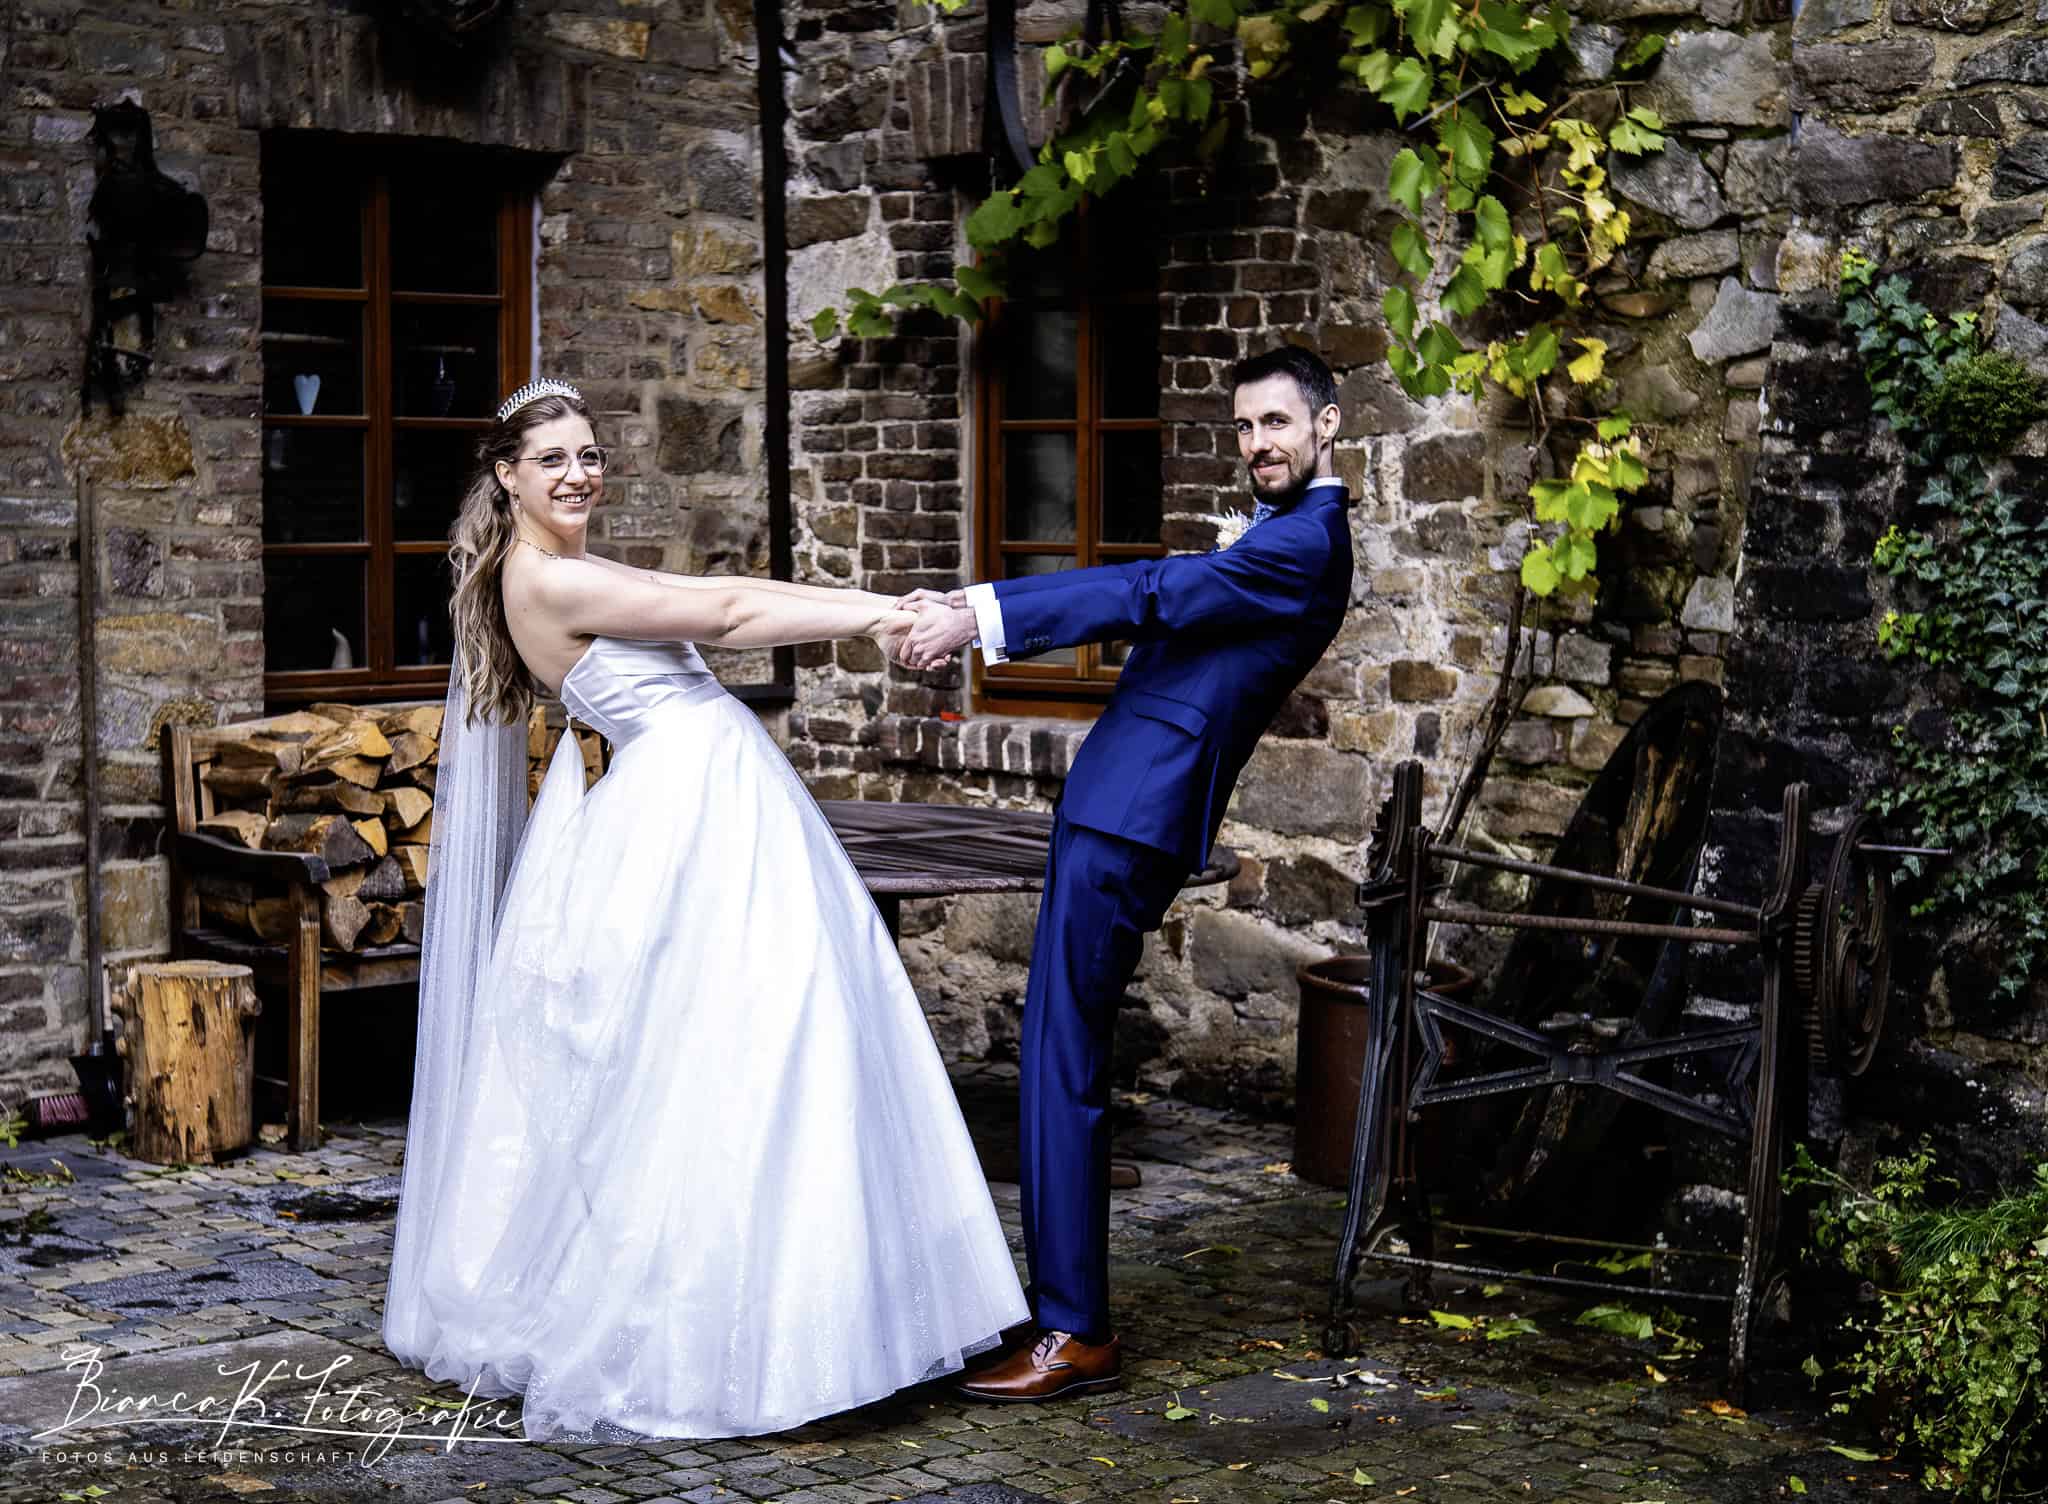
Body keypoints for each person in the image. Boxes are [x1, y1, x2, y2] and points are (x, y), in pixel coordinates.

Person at [383, 378, 1029, 1440]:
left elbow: (732, 586)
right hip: (686, 818)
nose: (579, 472)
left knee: (774, 1047)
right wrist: (896, 617)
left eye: (589, 454)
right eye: (553, 459)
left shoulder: (577, 565)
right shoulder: (540, 581)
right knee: (733, 1058)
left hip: (715, 805)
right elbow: (728, 617)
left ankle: (831, 1314)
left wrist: (899, 609)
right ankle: (730, 1336)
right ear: (506, 474)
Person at [898, 345, 1353, 1402]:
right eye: (1243, 427)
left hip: (1132, 816)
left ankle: (1073, 1330)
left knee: (1061, 1054)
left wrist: (979, 614)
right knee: (1057, 1046)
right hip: (1116, 805)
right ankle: (1059, 1310)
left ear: (1326, 426)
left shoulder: (1304, 544)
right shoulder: (1283, 532)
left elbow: (1151, 590)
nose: (1256, 445)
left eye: (1276, 424)